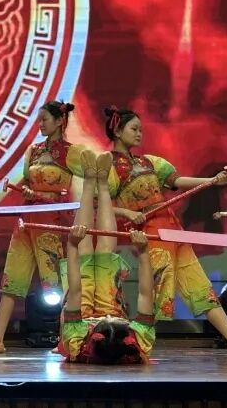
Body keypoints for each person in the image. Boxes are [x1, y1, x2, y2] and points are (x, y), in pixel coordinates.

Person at [104, 106, 227, 354]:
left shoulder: (149, 162)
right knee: (157, 291)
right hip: (151, 235)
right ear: (117, 131)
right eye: (134, 129)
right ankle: (138, 345)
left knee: (200, 288)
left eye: (141, 129)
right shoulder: (107, 167)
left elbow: (176, 181)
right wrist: (127, 213)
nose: (139, 133)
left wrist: (211, 181)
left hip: (173, 231)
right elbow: (98, 204)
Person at [0, 100, 83, 354]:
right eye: (39, 120)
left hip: (51, 221)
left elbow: (85, 181)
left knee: (56, 282)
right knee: (12, 279)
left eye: (44, 120)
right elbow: (26, 180)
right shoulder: (33, 151)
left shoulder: (71, 153)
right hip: (27, 221)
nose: (40, 124)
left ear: (59, 121)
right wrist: (25, 190)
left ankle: (66, 339)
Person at [59, 148, 155, 364]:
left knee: (84, 254)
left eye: (107, 320)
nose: (108, 317)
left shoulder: (76, 340)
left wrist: (72, 245)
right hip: (110, 302)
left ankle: (89, 182)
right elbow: (146, 295)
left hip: (80, 315)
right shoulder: (139, 341)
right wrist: (143, 252)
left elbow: (75, 290)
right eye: (115, 319)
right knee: (104, 253)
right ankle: (102, 184)